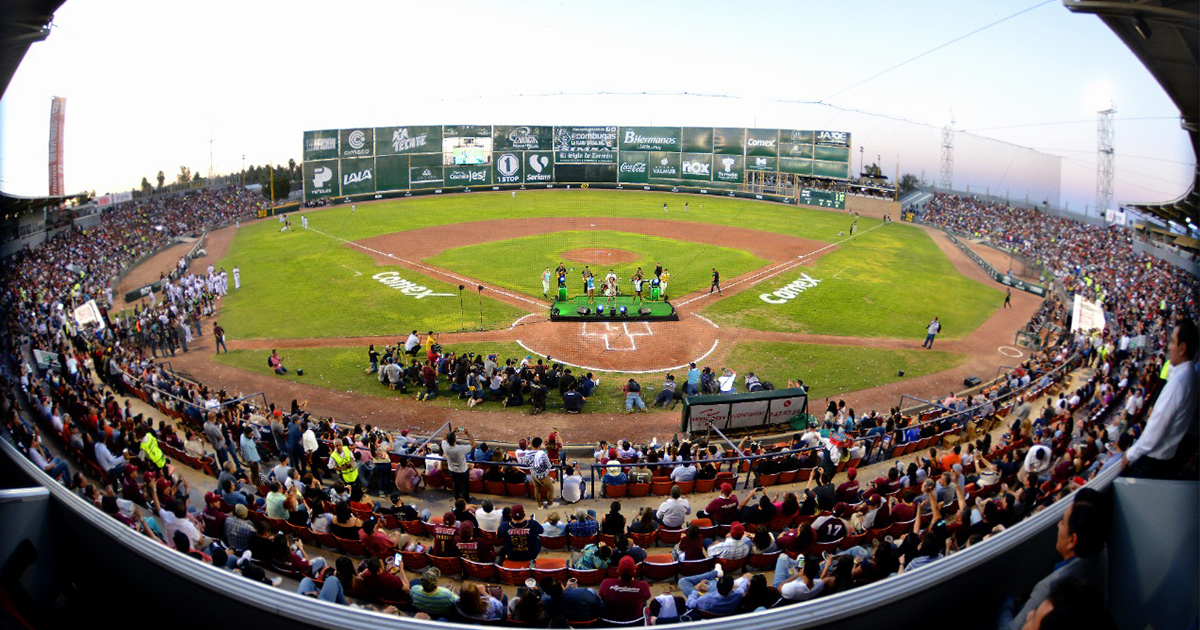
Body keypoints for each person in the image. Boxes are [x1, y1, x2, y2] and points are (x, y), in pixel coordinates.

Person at [1003, 490, 1110, 630]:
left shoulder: (1048, 587)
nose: (1058, 525)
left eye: (1063, 522)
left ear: (1072, 540)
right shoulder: (1102, 550)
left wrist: (1006, 600)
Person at [1123, 319, 1198, 479]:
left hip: (1153, 463)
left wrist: (1129, 455)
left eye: (1172, 342)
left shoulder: (1179, 382)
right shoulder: (1190, 375)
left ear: (1182, 348)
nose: (1169, 347)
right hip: (1166, 459)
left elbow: (1155, 429)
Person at [599, 556, 651, 622]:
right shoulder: (643, 586)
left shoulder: (606, 583)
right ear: (634, 571)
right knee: (643, 599)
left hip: (611, 622)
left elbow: (601, 595)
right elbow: (647, 596)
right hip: (635, 622)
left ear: (617, 571)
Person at [441, 426, 476, 503]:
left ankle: (457, 498)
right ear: (455, 440)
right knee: (465, 485)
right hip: (463, 470)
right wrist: (468, 434)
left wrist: (452, 432)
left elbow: (444, 439)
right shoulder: (460, 448)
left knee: (455, 484)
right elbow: (473, 445)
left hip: (452, 470)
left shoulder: (445, 447)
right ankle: (466, 499)